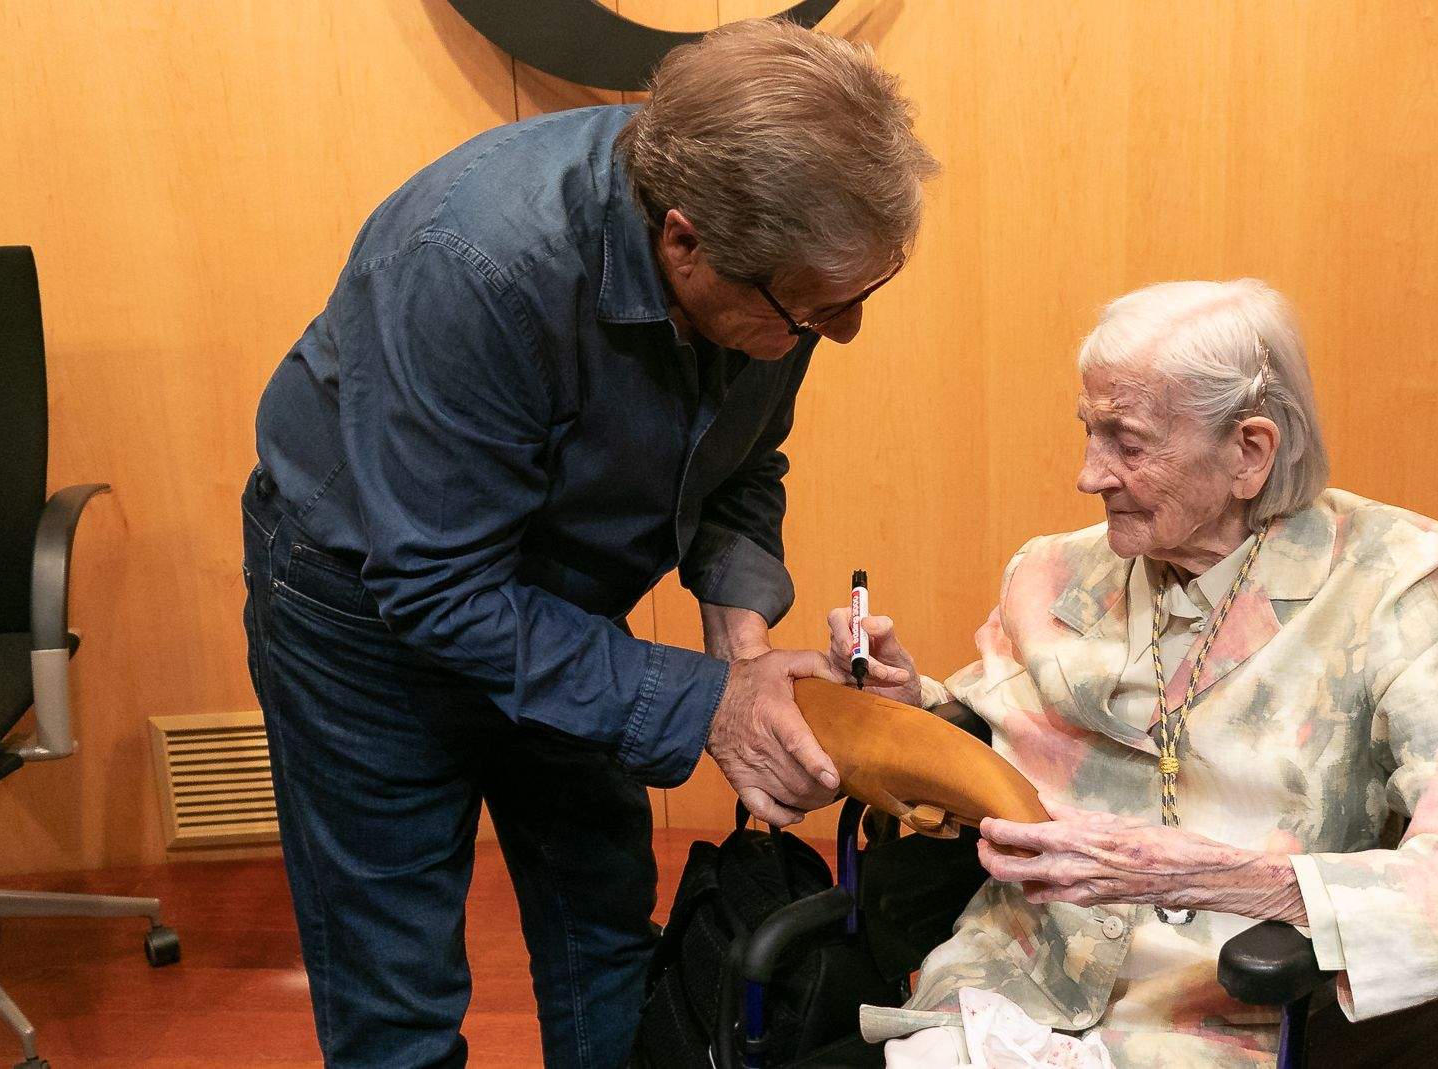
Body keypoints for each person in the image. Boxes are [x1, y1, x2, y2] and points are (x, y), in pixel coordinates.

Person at [241, 19, 938, 1068]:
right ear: (684, 242)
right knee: (398, 993)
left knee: (605, 930)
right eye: (815, 311)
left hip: (557, 599)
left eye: (857, 299)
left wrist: (743, 652)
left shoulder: (778, 261)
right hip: (365, 613)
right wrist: (710, 704)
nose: (839, 336)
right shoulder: (469, 260)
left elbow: (739, 461)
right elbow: (436, 587)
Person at [832, 279, 1438, 1066]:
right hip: (1006, 993)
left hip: (1213, 1022)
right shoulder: (1053, 573)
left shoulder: (1387, 579)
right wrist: (908, 705)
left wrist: (1234, 879)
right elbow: (990, 736)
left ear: (1249, 452)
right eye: (1089, 432)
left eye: (1127, 443)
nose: (1088, 474)